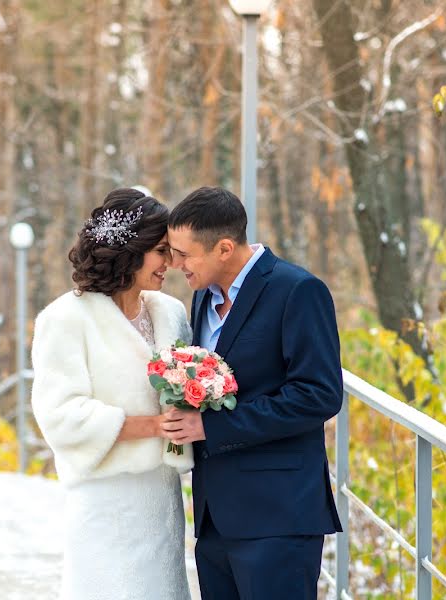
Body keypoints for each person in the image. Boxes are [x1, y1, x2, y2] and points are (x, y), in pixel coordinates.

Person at [163, 186, 343, 600]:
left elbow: (318, 395)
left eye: (184, 254)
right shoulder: (201, 297)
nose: (175, 264)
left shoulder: (297, 290)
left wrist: (211, 427)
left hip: (278, 516)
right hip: (214, 519)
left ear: (224, 248)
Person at [30, 188, 193, 600]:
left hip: (162, 497)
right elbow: (60, 415)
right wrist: (154, 426)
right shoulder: (65, 318)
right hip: (105, 498)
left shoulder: (171, 313)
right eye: (160, 251)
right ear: (130, 251)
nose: (170, 263)